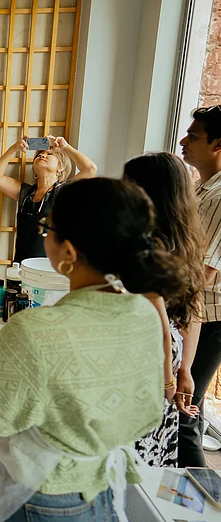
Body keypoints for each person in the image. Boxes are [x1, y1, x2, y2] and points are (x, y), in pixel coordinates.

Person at [0, 177, 189, 521]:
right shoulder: (145, 313)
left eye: (48, 227)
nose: (44, 235)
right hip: (106, 482)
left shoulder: (38, 330)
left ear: (68, 252)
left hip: (43, 491)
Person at [124, 152, 205, 467]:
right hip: (169, 354)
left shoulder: (144, 245)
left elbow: (154, 313)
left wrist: (171, 379)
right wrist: (184, 368)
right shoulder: (186, 241)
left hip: (146, 352)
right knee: (152, 447)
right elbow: (192, 311)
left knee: (131, 449)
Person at [178, 105, 221, 467]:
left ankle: (201, 502)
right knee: (188, 405)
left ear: (219, 145)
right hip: (192, 311)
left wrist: (174, 314)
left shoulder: (220, 196)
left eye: (194, 136)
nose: (183, 140)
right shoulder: (201, 188)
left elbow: (203, 272)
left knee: (185, 409)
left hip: (207, 316)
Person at [0, 136, 97, 263]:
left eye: (49, 154)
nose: (42, 156)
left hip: (51, 266)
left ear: (61, 167)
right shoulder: (26, 192)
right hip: (22, 264)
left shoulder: (65, 192)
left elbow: (90, 169)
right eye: (39, 155)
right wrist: (14, 149)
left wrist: (66, 147)